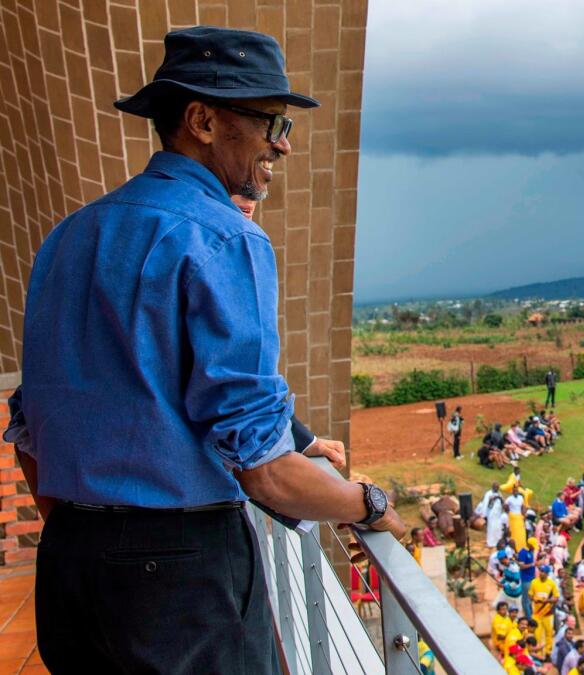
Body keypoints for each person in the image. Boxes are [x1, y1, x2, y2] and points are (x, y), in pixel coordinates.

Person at [1, 26, 406, 673]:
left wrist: (95, 528)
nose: (282, 142)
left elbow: (28, 432)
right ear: (201, 121)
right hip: (178, 581)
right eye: (270, 120)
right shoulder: (223, 238)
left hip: (69, 566)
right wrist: (369, 502)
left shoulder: (67, 237)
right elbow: (264, 469)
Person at [529, 565, 560, 658]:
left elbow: (556, 598)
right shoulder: (534, 582)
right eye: (540, 571)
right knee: (537, 634)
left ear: (547, 573)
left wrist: (546, 601)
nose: (541, 573)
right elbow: (530, 595)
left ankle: (548, 653)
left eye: (543, 571)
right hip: (537, 613)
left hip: (548, 613)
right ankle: (537, 654)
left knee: (549, 634)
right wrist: (534, 599)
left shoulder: (551, 584)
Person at [517, 538, 537, 617]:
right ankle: (529, 619)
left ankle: (531, 616)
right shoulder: (523, 552)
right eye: (533, 546)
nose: (534, 547)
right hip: (525, 579)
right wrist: (533, 564)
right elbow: (521, 566)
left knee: (529, 601)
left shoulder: (530, 552)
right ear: (529, 544)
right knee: (525, 601)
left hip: (531, 578)